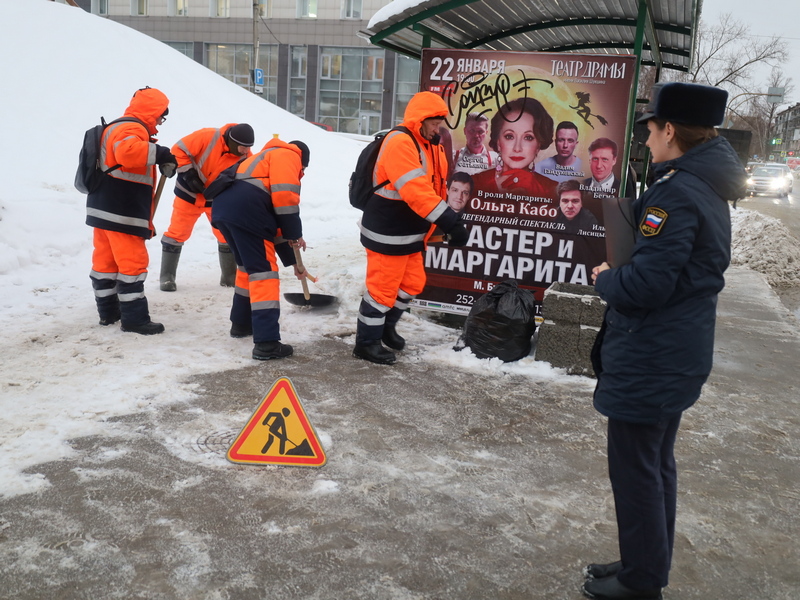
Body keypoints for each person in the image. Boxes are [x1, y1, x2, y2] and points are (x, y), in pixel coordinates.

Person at [583, 82, 747, 600]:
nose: (647, 140)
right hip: (672, 351)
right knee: (653, 466)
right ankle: (643, 563)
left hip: (655, 354)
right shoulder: (699, 184)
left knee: (637, 472)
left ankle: (641, 581)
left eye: (650, 130)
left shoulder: (677, 193)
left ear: (670, 130)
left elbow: (647, 286)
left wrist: (606, 276)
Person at [355, 91, 468, 365]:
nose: (437, 128)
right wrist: (451, 220)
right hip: (387, 231)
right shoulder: (400, 142)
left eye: (440, 123)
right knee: (382, 290)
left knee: (412, 284)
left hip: (411, 232)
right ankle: (366, 342)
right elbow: (415, 191)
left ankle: (385, 328)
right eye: (434, 122)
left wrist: (442, 228)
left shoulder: (432, 145)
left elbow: (437, 189)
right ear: (421, 119)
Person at [86, 86, 177, 335]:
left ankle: (108, 313)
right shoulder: (133, 128)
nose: (160, 120)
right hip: (122, 210)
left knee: (105, 262)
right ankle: (135, 319)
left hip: (103, 208)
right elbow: (127, 153)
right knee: (132, 264)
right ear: (152, 111)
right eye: (161, 115)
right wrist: (161, 153)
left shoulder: (115, 126)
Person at [210, 138, 311, 361]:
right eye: (303, 169)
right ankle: (267, 343)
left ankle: (241, 324)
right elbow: (285, 199)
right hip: (247, 211)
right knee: (264, 274)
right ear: (302, 160)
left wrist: (294, 261)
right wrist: (294, 233)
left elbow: (274, 224)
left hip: (226, 209)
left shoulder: (262, 159)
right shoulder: (288, 155)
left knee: (249, 268)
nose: (301, 172)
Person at [159, 123, 255, 292]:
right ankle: (167, 277)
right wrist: (188, 174)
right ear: (232, 141)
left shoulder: (246, 157)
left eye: (248, 148)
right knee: (177, 232)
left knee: (226, 234)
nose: (245, 151)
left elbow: (247, 177)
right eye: (242, 147)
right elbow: (177, 150)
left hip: (216, 199)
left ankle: (229, 277)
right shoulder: (207, 137)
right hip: (188, 195)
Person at [471, 97, 557, 198]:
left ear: (538, 145)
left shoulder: (553, 190)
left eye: (528, 137)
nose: (517, 148)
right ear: (498, 142)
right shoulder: (473, 184)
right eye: (509, 136)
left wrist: (538, 191)